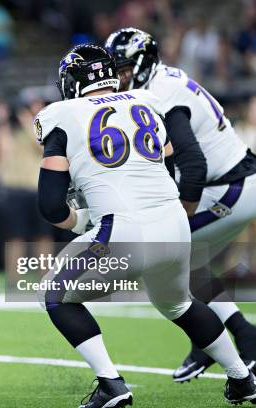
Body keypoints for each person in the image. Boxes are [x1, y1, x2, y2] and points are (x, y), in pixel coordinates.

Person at [35, 43, 256, 407]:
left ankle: (111, 384)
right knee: (179, 303)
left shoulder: (60, 113)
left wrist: (79, 222)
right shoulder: (146, 101)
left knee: (55, 295)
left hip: (123, 229)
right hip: (173, 223)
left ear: (72, 82)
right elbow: (165, 169)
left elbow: (49, 205)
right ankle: (243, 378)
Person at [106, 27, 256, 383]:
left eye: (124, 69)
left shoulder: (161, 93)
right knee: (190, 264)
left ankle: (237, 338)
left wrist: (180, 220)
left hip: (231, 188)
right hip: (231, 184)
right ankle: (223, 338)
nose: (119, 77)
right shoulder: (160, 83)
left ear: (143, 64)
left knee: (165, 255)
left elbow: (193, 166)